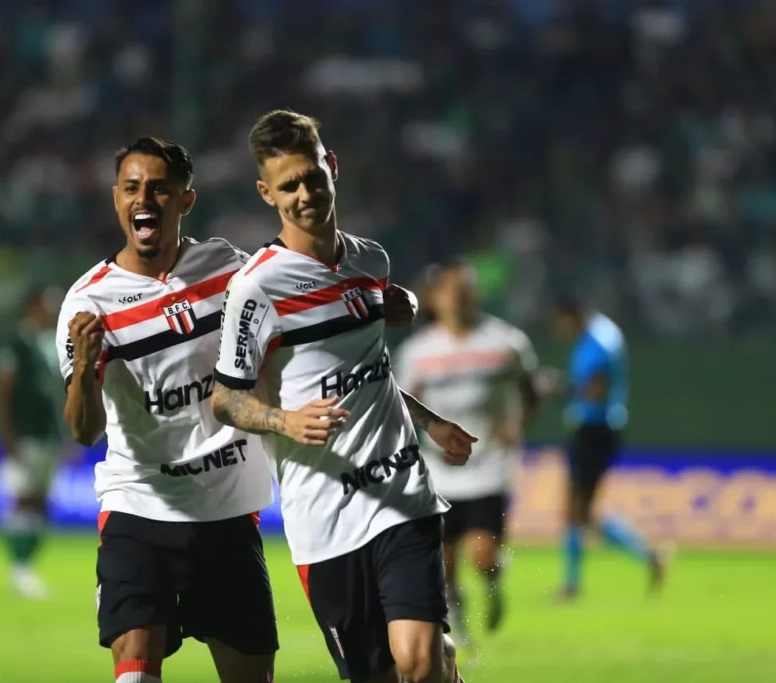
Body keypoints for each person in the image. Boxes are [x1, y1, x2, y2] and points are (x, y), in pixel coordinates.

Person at [58, 135, 419, 683]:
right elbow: (85, 432)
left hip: (228, 515)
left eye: (159, 189)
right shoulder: (88, 303)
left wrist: (386, 299)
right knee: (134, 669)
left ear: (186, 200)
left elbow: (301, 291)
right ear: (116, 199)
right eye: (131, 188)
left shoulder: (229, 268)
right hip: (141, 508)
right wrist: (85, 367)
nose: (144, 199)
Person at [211, 109, 474, 683]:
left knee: (418, 662)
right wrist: (284, 421)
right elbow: (225, 399)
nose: (305, 194)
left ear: (332, 166)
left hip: (400, 489)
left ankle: (435, 659)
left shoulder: (370, 261)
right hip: (323, 513)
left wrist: (429, 422)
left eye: (312, 177)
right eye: (288, 186)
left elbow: (370, 371)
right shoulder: (255, 288)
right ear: (266, 193)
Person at [394, 260, 540, 648]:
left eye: (464, 290)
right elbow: (401, 403)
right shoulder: (418, 352)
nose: (457, 298)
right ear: (435, 299)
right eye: (449, 291)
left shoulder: (505, 342)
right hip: (438, 469)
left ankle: (492, 584)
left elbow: (531, 388)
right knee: (443, 565)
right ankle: (460, 633)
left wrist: (518, 424)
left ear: (476, 295)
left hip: (489, 465)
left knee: (481, 555)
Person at [549, 295, 666, 600]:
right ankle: (649, 555)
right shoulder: (604, 334)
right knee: (583, 514)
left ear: (572, 316)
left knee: (576, 510)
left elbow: (596, 391)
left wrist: (560, 387)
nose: (559, 331)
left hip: (594, 430)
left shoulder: (596, 343)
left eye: (561, 323)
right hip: (600, 429)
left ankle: (572, 585)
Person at [0, 284, 69, 599]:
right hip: (25, 435)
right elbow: (3, 391)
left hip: (47, 435)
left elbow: (55, 397)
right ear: (33, 307)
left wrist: (65, 436)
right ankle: (19, 568)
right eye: (48, 306)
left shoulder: (50, 345)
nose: (53, 312)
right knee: (23, 499)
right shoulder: (16, 344)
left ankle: (28, 566)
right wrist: (7, 435)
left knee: (41, 503)